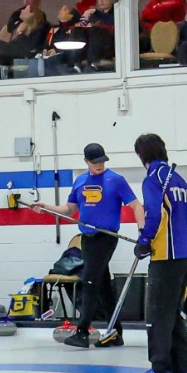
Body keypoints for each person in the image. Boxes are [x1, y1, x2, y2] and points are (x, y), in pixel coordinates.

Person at [55, 143, 141, 349]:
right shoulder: (80, 181)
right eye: (95, 162)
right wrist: (45, 207)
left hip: (105, 237)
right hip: (87, 238)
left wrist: (142, 232)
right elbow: (68, 209)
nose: (99, 165)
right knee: (102, 286)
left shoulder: (116, 180)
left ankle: (82, 332)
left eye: (102, 161)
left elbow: (136, 205)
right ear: (86, 162)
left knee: (89, 281)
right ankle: (115, 332)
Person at [130, 133, 187, 373]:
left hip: (166, 256)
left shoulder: (153, 179)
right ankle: (184, 365)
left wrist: (144, 240)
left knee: (157, 314)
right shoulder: (179, 180)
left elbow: (154, 215)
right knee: (173, 313)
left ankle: (160, 368)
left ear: (141, 155)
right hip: (186, 255)